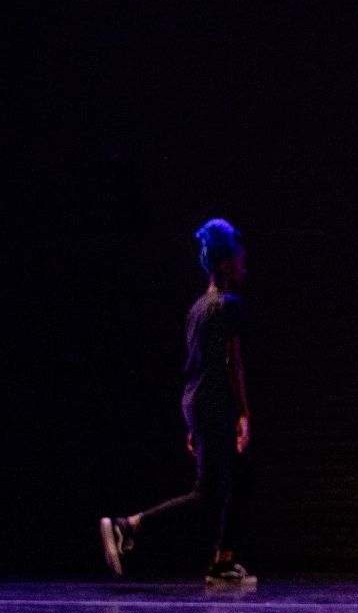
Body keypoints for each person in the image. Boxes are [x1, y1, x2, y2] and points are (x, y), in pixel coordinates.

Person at [99, 219, 255, 584]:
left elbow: (195, 365)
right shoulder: (229, 305)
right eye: (240, 262)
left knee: (241, 477)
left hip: (199, 404)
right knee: (207, 493)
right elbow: (232, 362)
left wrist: (193, 423)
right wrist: (244, 413)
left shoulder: (197, 309)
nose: (245, 269)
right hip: (214, 404)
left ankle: (223, 560)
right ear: (225, 266)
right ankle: (129, 525)